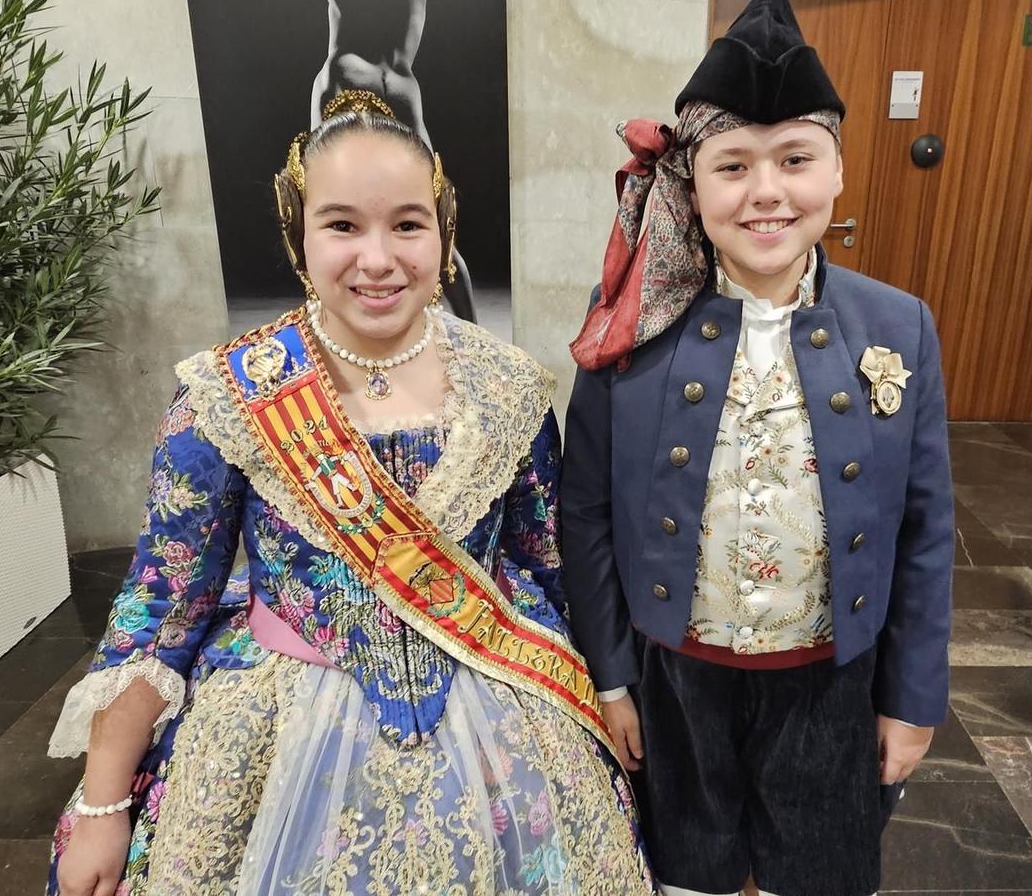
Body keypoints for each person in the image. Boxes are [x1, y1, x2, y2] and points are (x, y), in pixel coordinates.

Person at [46, 90, 650, 895]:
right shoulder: (227, 395)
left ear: (444, 232)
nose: (377, 258)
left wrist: (602, 698)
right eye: (342, 225)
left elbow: (545, 567)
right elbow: (161, 601)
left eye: (407, 223)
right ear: (300, 234)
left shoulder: (508, 386)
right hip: (277, 723)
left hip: (501, 715)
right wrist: (101, 801)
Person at [560, 0, 955, 895]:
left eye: (796, 159)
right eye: (733, 165)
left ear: (840, 171)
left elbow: (927, 531)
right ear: (691, 185)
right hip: (674, 679)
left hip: (833, 680)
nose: (766, 191)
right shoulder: (628, 326)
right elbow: (584, 510)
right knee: (685, 875)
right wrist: (612, 679)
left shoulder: (900, 324)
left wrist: (912, 697)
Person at [311, 0, 475, 321]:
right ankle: (330, 332)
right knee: (333, 212)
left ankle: (472, 335)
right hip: (365, 81)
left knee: (437, 227)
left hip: (387, 84)